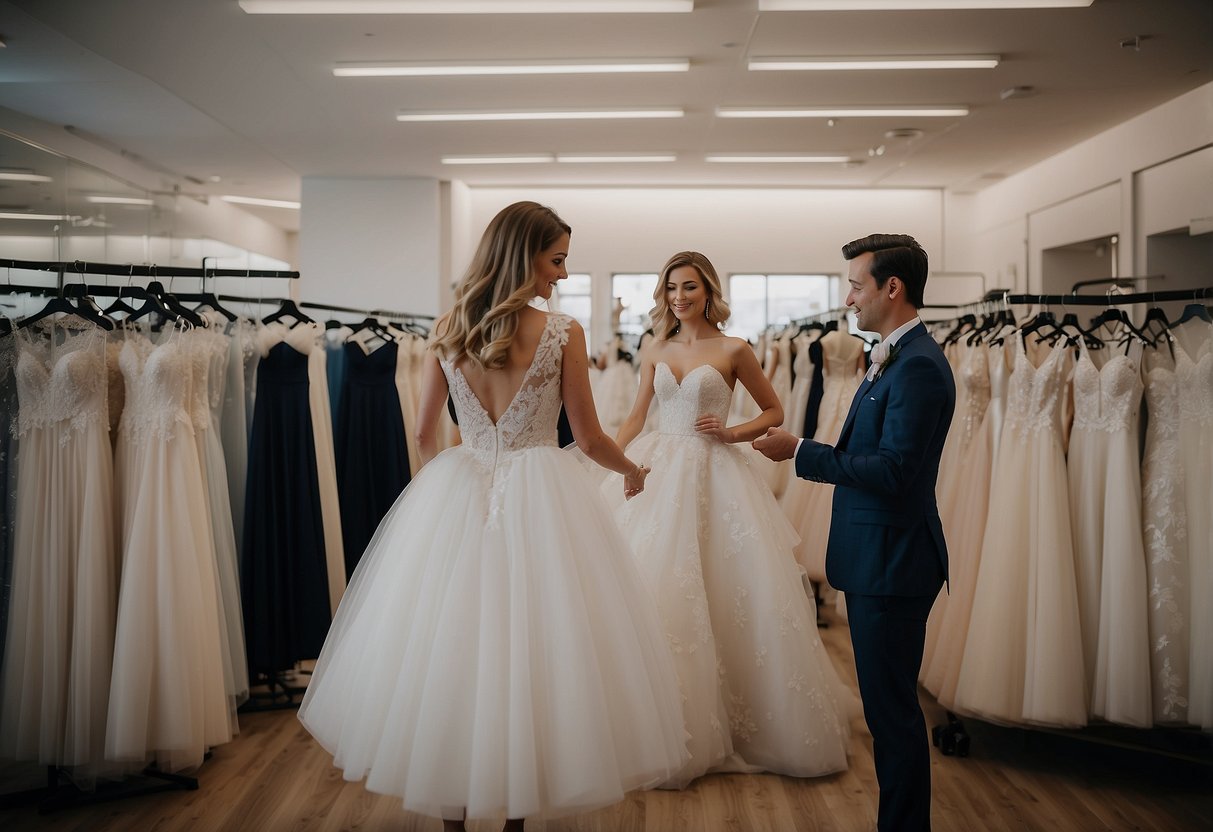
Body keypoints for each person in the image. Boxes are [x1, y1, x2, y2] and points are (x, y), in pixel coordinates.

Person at [298, 202, 688, 831]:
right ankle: (516, 820)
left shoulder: (448, 327)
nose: (561, 275)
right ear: (524, 255)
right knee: (537, 654)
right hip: (542, 494)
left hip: (460, 489)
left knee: (451, 655)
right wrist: (633, 471)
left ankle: (454, 816)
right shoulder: (561, 332)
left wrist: (448, 492)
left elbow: (425, 433)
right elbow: (587, 440)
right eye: (557, 260)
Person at [605, 251, 852, 789]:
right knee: (654, 584)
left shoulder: (734, 348)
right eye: (671, 287)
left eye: (689, 287)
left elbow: (774, 412)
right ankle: (657, 724)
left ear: (708, 290)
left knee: (726, 584)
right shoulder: (656, 347)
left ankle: (741, 719)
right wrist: (615, 461)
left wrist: (733, 433)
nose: (679, 297)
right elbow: (636, 413)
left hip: (714, 469)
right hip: (658, 465)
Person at [754, 234, 954, 832]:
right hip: (877, 557)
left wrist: (802, 452)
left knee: (892, 717)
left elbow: (894, 471)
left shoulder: (916, 365)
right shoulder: (891, 353)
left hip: (893, 562)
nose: (847, 299)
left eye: (855, 285)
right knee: (886, 713)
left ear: (892, 288)